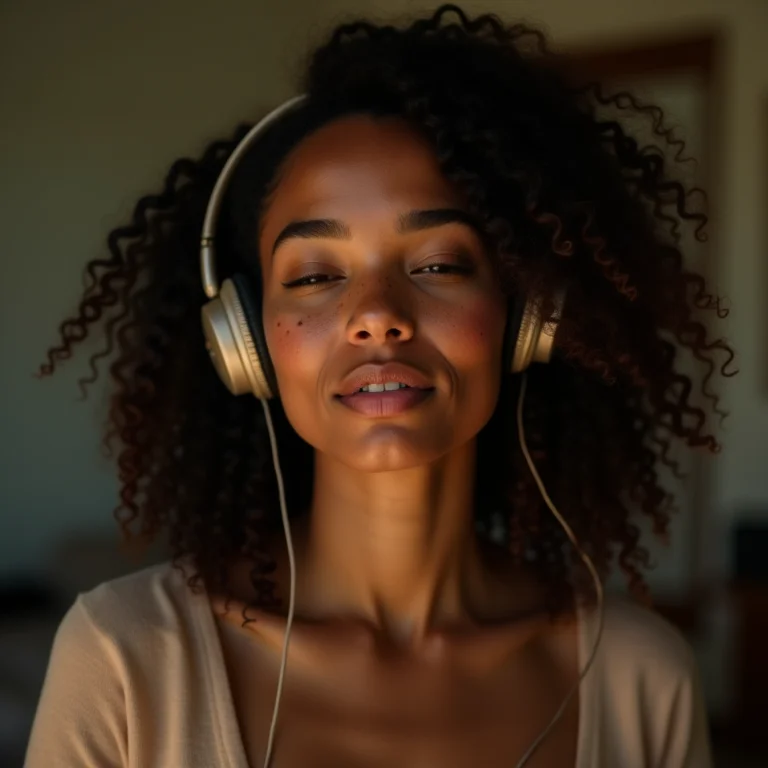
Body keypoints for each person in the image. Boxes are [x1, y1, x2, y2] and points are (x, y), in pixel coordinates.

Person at [25, 4, 734, 767]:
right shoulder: (124, 655)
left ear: (529, 316)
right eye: (315, 276)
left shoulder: (639, 677)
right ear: (245, 338)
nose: (376, 317)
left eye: (437, 264)